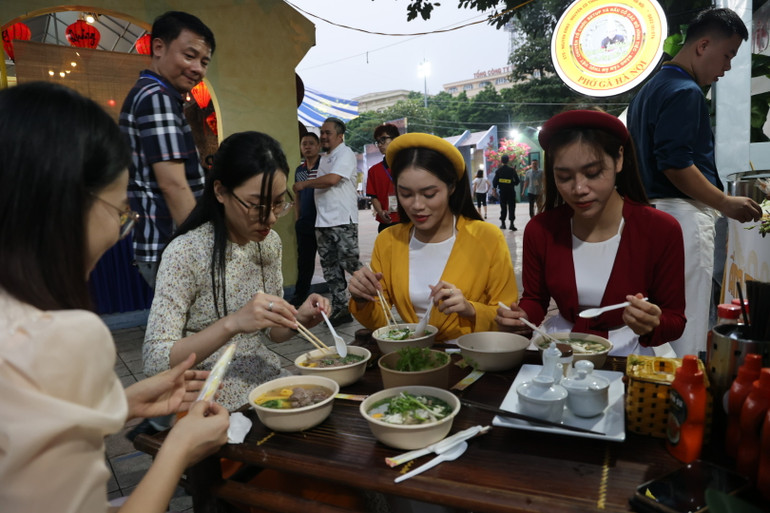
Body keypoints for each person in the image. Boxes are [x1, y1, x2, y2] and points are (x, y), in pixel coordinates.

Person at [0, 82, 229, 513]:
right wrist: (178, 448)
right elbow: (160, 350)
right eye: (121, 210)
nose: (119, 231)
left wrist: (120, 404)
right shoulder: (54, 337)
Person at [143, 132, 330, 411]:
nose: (271, 218)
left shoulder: (269, 243)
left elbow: (270, 332)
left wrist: (298, 318)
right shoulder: (186, 252)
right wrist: (232, 323)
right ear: (220, 191)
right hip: (209, 397)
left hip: (265, 387)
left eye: (278, 202)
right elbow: (155, 360)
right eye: (257, 206)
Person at [627, 7, 762, 357]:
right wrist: (725, 202)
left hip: (647, 214)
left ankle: (649, 381)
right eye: (727, 55)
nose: (727, 67)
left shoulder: (648, 90)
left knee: (651, 317)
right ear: (703, 45)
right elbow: (675, 165)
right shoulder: (685, 91)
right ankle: (682, 384)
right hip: (682, 218)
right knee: (683, 317)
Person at [497, 109, 686, 356]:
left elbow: (675, 320)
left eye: (593, 173)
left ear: (619, 159)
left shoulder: (660, 229)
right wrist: (521, 318)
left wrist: (653, 323)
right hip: (559, 347)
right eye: (564, 177)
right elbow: (535, 299)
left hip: (630, 352)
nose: (579, 189)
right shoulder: (541, 229)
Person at [348, 133, 519, 342]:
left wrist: (471, 310)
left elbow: (507, 316)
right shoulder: (389, 240)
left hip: (472, 353)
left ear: (452, 187)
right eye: (406, 194)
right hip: (415, 356)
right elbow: (379, 320)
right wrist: (362, 298)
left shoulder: (487, 238)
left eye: (429, 194)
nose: (417, 205)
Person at [120, 11, 216, 289]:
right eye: (189, 55)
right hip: (170, 245)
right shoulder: (157, 98)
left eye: (204, 61)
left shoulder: (153, 94)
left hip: (163, 244)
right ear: (159, 47)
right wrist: (203, 250)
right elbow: (173, 184)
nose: (197, 68)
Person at [293, 117, 363, 327]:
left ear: (340, 136)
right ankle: (341, 309)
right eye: (322, 132)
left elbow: (332, 180)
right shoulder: (324, 159)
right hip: (322, 222)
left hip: (342, 220)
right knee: (330, 269)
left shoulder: (345, 153)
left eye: (327, 133)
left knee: (352, 265)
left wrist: (304, 184)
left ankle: (375, 301)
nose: (323, 136)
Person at [289, 132, 321, 307]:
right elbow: (298, 196)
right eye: (304, 144)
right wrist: (297, 218)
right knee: (304, 262)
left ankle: (339, 298)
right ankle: (300, 296)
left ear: (318, 146)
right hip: (305, 222)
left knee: (330, 261)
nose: (307, 147)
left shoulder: (324, 166)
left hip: (324, 221)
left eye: (311, 143)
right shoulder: (299, 170)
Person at [366, 123, 401, 232]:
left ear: (395, 139)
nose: (380, 145)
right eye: (378, 142)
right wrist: (380, 212)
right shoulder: (373, 171)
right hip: (386, 222)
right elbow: (373, 197)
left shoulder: (408, 165)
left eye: (383, 139)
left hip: (409, 220)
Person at [493, 154, 520, 230]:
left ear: (501, 161)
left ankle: (503, 224)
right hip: (511, 191)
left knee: (503, 207)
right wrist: (512, 183)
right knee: (512, 207)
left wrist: (495, 188)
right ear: (508, 161)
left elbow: (495, 182)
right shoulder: (512, 170)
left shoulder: (498, 171)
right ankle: (512, 224)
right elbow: (517, 181)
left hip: (503, 192)